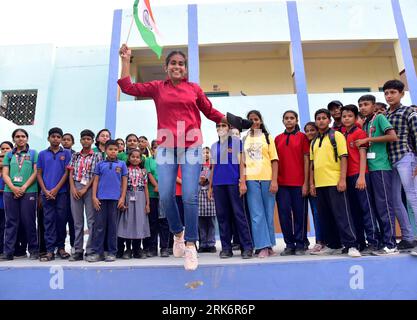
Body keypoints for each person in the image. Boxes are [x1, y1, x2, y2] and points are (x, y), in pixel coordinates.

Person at [118, 44, 226, 270]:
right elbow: (128, 87)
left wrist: (230, 121)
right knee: (166, 195)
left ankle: (190, 245)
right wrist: (126, 60)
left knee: (189, 195)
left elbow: (209, 111)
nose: (177, 67)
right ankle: (178, 232)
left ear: (185, 69)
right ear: (166, 68)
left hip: (192, 145)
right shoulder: (158, 87)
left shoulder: (194, 88)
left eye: (181, 64)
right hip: (167, 146)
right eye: (173, 63)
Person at [309, 109, 361, 258]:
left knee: (342, 214)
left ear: (329, 120)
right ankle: (334, 245)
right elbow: (312, 164)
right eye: (318, 118)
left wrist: (342, 179)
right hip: (320, 185)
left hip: (334, 181)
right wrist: (312, 184)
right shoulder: (314, 141)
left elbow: (344, 157)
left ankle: (352, 245)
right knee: (326, 216)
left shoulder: (336, 135)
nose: (321, 121)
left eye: (324, 118)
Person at [358, 94, 399, 255]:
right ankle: (383, 241)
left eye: (366, 104)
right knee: (375, 207)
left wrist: (369, 139)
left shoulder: (380, 118)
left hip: (381, 167)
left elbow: (392, 136)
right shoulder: (366, 123)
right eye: (360, 105)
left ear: (374, 106)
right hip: (370, 168)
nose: (362, 107)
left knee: (384, 206)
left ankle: (391, 243)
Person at [209, 122, 253, 259]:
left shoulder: (236, 143)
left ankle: (247, 247)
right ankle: (226, 248)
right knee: (222, 217)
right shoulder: (214, 146)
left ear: (229, 129)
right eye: (219, 126)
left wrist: (243, 182)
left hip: (234, 183)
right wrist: (210, 187)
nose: (221, 128)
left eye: (224, 126)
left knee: (239, 215)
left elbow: (242, 163)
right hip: (218, 185)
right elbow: (213, 167)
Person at [383, 80, 417, 253]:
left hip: (406, 157)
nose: (389, 96)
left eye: (393, 92)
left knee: (413, 198)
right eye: (386, 93)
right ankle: (408, 237)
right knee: (395, 200)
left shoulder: (409, 112)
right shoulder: (385, 115)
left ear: (401, 94)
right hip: (390, 162)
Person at [341, 104, 380, 254]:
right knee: (354, 211)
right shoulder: (343, 134)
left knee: (367, 210)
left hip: (360, 175)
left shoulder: (360, 133)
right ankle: (359, 242)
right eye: (344, 116)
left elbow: (363, 156)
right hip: (348, 177)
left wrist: (362, 176)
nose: (346, 118)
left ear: (356, 118)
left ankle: (373, 242)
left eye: (350, 116)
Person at [241, 110, 278, 258]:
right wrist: (243, 181)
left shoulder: (268, 138)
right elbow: (242, 162)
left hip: (267, 179)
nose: (254, 122)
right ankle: (261, 246)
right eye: (250, 120)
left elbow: (274, 160)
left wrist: (274, 180)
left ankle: (269, 246)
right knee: (257, 215)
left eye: (256, 119)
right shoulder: (244, 139)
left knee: (268, 214)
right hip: (251, 180)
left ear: (260, 121)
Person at [274, 111, 310, 256]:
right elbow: (274, 162)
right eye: (286, 118)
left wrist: (306, 183)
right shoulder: (277, 139)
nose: (289, 121)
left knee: (300, 215)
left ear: (296, 120)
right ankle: (289, 244)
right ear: (283, 121)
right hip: (282, 184)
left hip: (299, 183)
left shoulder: (302, 137)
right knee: (284, 215)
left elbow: (307, 160)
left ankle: (301, 244)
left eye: (292, 118)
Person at [0, 129, 39, 260]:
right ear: (14, 139)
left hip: (29, 191)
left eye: (23, 136)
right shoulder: (9, 155)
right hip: (10, 192)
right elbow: (5, 173)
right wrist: (13, 188)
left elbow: (35, 173)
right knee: (11, 222)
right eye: (17, 136)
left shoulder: (33, 153)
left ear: (27, 138)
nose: (20, 138)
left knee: (29, 221)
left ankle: (33, 250)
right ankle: (8, 252)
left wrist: (23, 187)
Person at [87, 140, 128, 262]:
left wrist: (122, 198)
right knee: (99, 226)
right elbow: (95, 181)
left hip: (115, 200)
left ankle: (111, 252)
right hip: (101, 199)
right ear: (105, 150)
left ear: (118, 151)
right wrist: (94, 197)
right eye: (110, 149)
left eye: (115, 149)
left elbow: (124, 182)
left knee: (112, 227)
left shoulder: (122, 164)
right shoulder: (100, 164)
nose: (113, 151)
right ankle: (98, 252)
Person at [37, 127, 72, 261]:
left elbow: (66, 173)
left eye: (58, 137)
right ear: (48, 138)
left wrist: (56, 189)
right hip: (46, 194)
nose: (56, 139)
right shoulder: (42, 154)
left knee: (61, 221)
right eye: (53, 136)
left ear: (61, 139)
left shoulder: (67, 153)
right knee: (48, 221)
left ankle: (61, 248)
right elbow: (39, 174)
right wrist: (45, 191)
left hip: (61, 193)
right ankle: (50, 250)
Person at [67, 129, 102, 261]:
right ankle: (77, 250)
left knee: (91, 220)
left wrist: (86, 188)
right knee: (77, 222)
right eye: (84, 139)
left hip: (90, 188)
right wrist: (73, 188)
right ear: (80, 140)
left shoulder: (97, 156)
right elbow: (70, 173)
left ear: (92, 141)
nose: (86, 141)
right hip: (75, 188)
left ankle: (90, 250)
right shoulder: (75, 155)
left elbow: (96, 174)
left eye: (89, 139)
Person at [117, 149, 150, 259]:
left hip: (140, 196)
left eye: (137, 157)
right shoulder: (125, 170)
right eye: (133, 157)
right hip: (128, 195)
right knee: (128, 222)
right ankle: (128, 249)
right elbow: (122, 185)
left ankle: (137, 249)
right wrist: (121, 199)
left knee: (139, 223)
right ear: (128, 158)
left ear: (141, 159)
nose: (135, 159)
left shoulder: (143, 171)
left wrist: (147, 203)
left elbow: (145, 188)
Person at [144, 139, 170, 257]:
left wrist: (162, 187)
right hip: (152, 195)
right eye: (155, 148)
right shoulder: (149, 161)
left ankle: (164, 247)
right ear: (152, 150)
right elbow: (149, 174)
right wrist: (157, 185)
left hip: (164, 195)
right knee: (152, 222)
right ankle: (152, 248)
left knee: (164, 222)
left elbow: (169, 175)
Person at [303, 122, 324, 253]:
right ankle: (319, 241)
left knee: (324, 213)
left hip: (325, 182)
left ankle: (327, 240)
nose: (310, 133)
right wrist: (311, 183)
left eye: (312, 130)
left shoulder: (320, 143)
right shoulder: (309, 145)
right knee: (316, 213)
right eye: (307, 131)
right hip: (313, 185)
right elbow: (311, 166)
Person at [198, 147, 217, 253]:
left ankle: (211, 243)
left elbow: (214, 179)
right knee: (201, 222)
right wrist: (199, 181)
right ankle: (203, 243)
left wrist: (208, 180)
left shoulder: (212, 167)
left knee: (211, 222)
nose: (205, 155)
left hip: (210, 195)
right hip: (200, 194)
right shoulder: (197, 167)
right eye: (203, 153)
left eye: (207, 153)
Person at [62, 132, 76, 254]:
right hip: (60, 192)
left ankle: (74, 246)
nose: (66, 141)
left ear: (73, 142)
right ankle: (59, 247)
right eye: (64, 139)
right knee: (61, 220)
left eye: (68, 140)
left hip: (74, 192)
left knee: (73, 220)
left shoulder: (76, 156)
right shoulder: (58, 153)